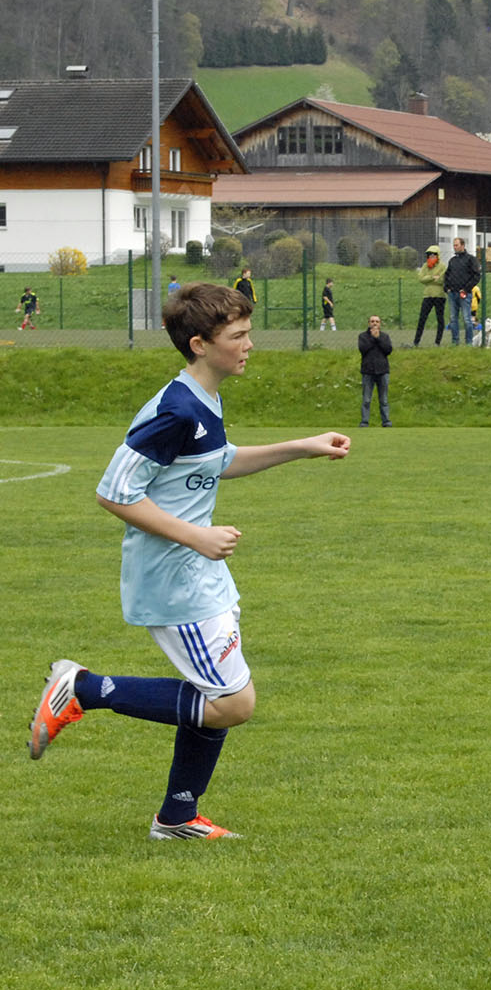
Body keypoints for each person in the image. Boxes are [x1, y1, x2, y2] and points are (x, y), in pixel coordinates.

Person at [27, 282, 351, 839]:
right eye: (238, 336)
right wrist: (196, 537)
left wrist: (302, 446)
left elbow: (217, 461)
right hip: (174, 576)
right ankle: (82, 688)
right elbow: (114, 492)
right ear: (200, 344)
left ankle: (178, 817)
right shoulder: (174, 410)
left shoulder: (204, 400)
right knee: (232, 703)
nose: (249, 344)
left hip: (199, 571)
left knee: (216, 692)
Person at [443, 237, 481, 346]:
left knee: (467, 319)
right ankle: (455, 341)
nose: (454, 247)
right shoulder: (452, 261)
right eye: (454, 245)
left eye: (456, 245)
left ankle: (469, 342)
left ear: (463, 246)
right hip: (452, 294)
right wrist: (447, 288)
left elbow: (477, 276)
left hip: (465, 294)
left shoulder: (471, 260)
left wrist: (466, 289)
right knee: (453, 319)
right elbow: (447, 275)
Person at [358, 315, 392, 428]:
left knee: (384, 399)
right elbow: (363, 349)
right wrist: (373, 338)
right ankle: (364, 421)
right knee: (366, 399)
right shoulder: (363, 336)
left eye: (377, 321)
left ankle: (386, 421)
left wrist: (378, 338)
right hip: (368, 371)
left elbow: (388, 350)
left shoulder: (385, 336)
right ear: (369, 323)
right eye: (372, 321)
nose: (375, 323)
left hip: (383, 371)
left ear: (380, 323)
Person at [412, 245, 447, 346]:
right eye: (430, 255)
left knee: (440, 319)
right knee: (422, 318)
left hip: (440, 296)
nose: (431, 257)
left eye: (434, 255)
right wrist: (432, 277)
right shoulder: (425, 266)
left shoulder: (443, 266)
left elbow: (441, 279)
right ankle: (416, 342)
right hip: (427, 296)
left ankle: (437, 342)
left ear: (438, 256)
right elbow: (421, 278)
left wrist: (429, 279)